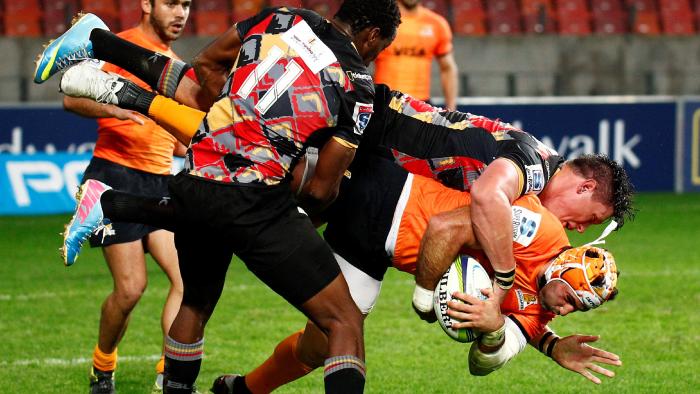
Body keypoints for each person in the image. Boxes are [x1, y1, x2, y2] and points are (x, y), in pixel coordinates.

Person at [38, 3, 402, 393]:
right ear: (372, 36)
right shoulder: (359, 87)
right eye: (377, 51)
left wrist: (229, 116)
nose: (372, 58)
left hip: (196, 175)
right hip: (256, 197)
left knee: (195, 302)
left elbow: (204, 67)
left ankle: (99, 45)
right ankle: (110, 182)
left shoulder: (285, 17)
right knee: (343, 319)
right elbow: (319, 189)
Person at [210, 154, 623, 393]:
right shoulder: (539, 222)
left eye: (577, 309)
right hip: (387, 195)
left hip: (376, 251)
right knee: (258, 172)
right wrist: (426, 294)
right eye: (571, 299)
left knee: (324, 343)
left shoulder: (542, 311)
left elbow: (484, 363)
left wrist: (505, 332)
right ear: (564, 271)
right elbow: (448, 226)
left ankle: (243, 391)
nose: (567, 311)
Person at [56, 2, 190, 393]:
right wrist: (118, 110)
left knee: (187, 281)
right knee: (131, 288)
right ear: (147, 5)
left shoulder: (176, 67)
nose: (180, 12)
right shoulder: (121, 48)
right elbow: (71, 96)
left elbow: (173, 140)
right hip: (114, 177)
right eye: (171, 3)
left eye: (186, 4)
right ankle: (103, 367)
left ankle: (171, 376)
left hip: (160, 182)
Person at [373, 0, 458, 110]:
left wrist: (451, 108)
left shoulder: (437, 24)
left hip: (420, 106)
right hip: (383, 103)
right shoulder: (381, 21)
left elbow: (448, 68)